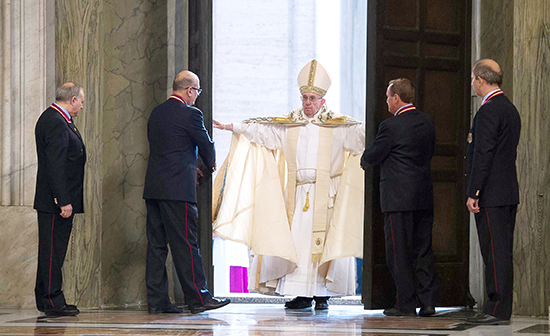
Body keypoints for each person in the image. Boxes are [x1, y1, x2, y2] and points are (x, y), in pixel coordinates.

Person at [213, 60, 365, 310]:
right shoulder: (290, 125)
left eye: (312, 98)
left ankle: (322, 295)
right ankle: (302, 294)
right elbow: (262, 131)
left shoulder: (338, 126)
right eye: (304, 97)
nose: (307, 102)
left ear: (322, 101)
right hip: (298, 194)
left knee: (323, 244)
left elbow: (362, 136)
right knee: (297, 244)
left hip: (326, 195)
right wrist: (233, 127)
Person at [143, 70, 230, 314]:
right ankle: (199, 299)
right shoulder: (191, 114)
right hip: (178, 190)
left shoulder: (156, 112)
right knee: (186, 245)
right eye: (197, 92)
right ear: (190, 90)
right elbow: (206, 145)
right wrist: (207, 166)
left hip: (154, 188)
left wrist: (190, 166)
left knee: (157, 246)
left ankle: (157, 301)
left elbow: (166, 148)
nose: (197, 97)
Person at [361, 78, 439, 317]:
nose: (386, 102)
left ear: (396, 98)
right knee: (422, 250)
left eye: (387, 97)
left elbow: (372, 155)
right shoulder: (427, 122)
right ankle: (428, 303)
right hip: (423, 196)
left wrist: (364, 159)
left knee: (398, 251)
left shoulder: (390, 126)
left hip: (398, 199)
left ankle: (405, 304)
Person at [465, 59, 521, 325]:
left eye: (474, 79)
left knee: (495, 252)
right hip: (507, 191)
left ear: (481, 80)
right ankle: (498, 306)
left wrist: (474, 191)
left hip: (492, 193)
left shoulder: (488, 111)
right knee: (501, 251)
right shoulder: (509, 108)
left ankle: (496, 308)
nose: (473, 83)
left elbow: (483, 154)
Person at [34, 82, 86, 317]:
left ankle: (47, 298)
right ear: (72, 99)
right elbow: (55, 165)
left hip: (57, 199)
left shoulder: (60, 119)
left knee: (52, 250)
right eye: (81, 101)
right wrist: (63, 200)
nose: (82, 107)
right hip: (55, 202)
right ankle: (53, 301)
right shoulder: (55, 121)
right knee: (53, 251)